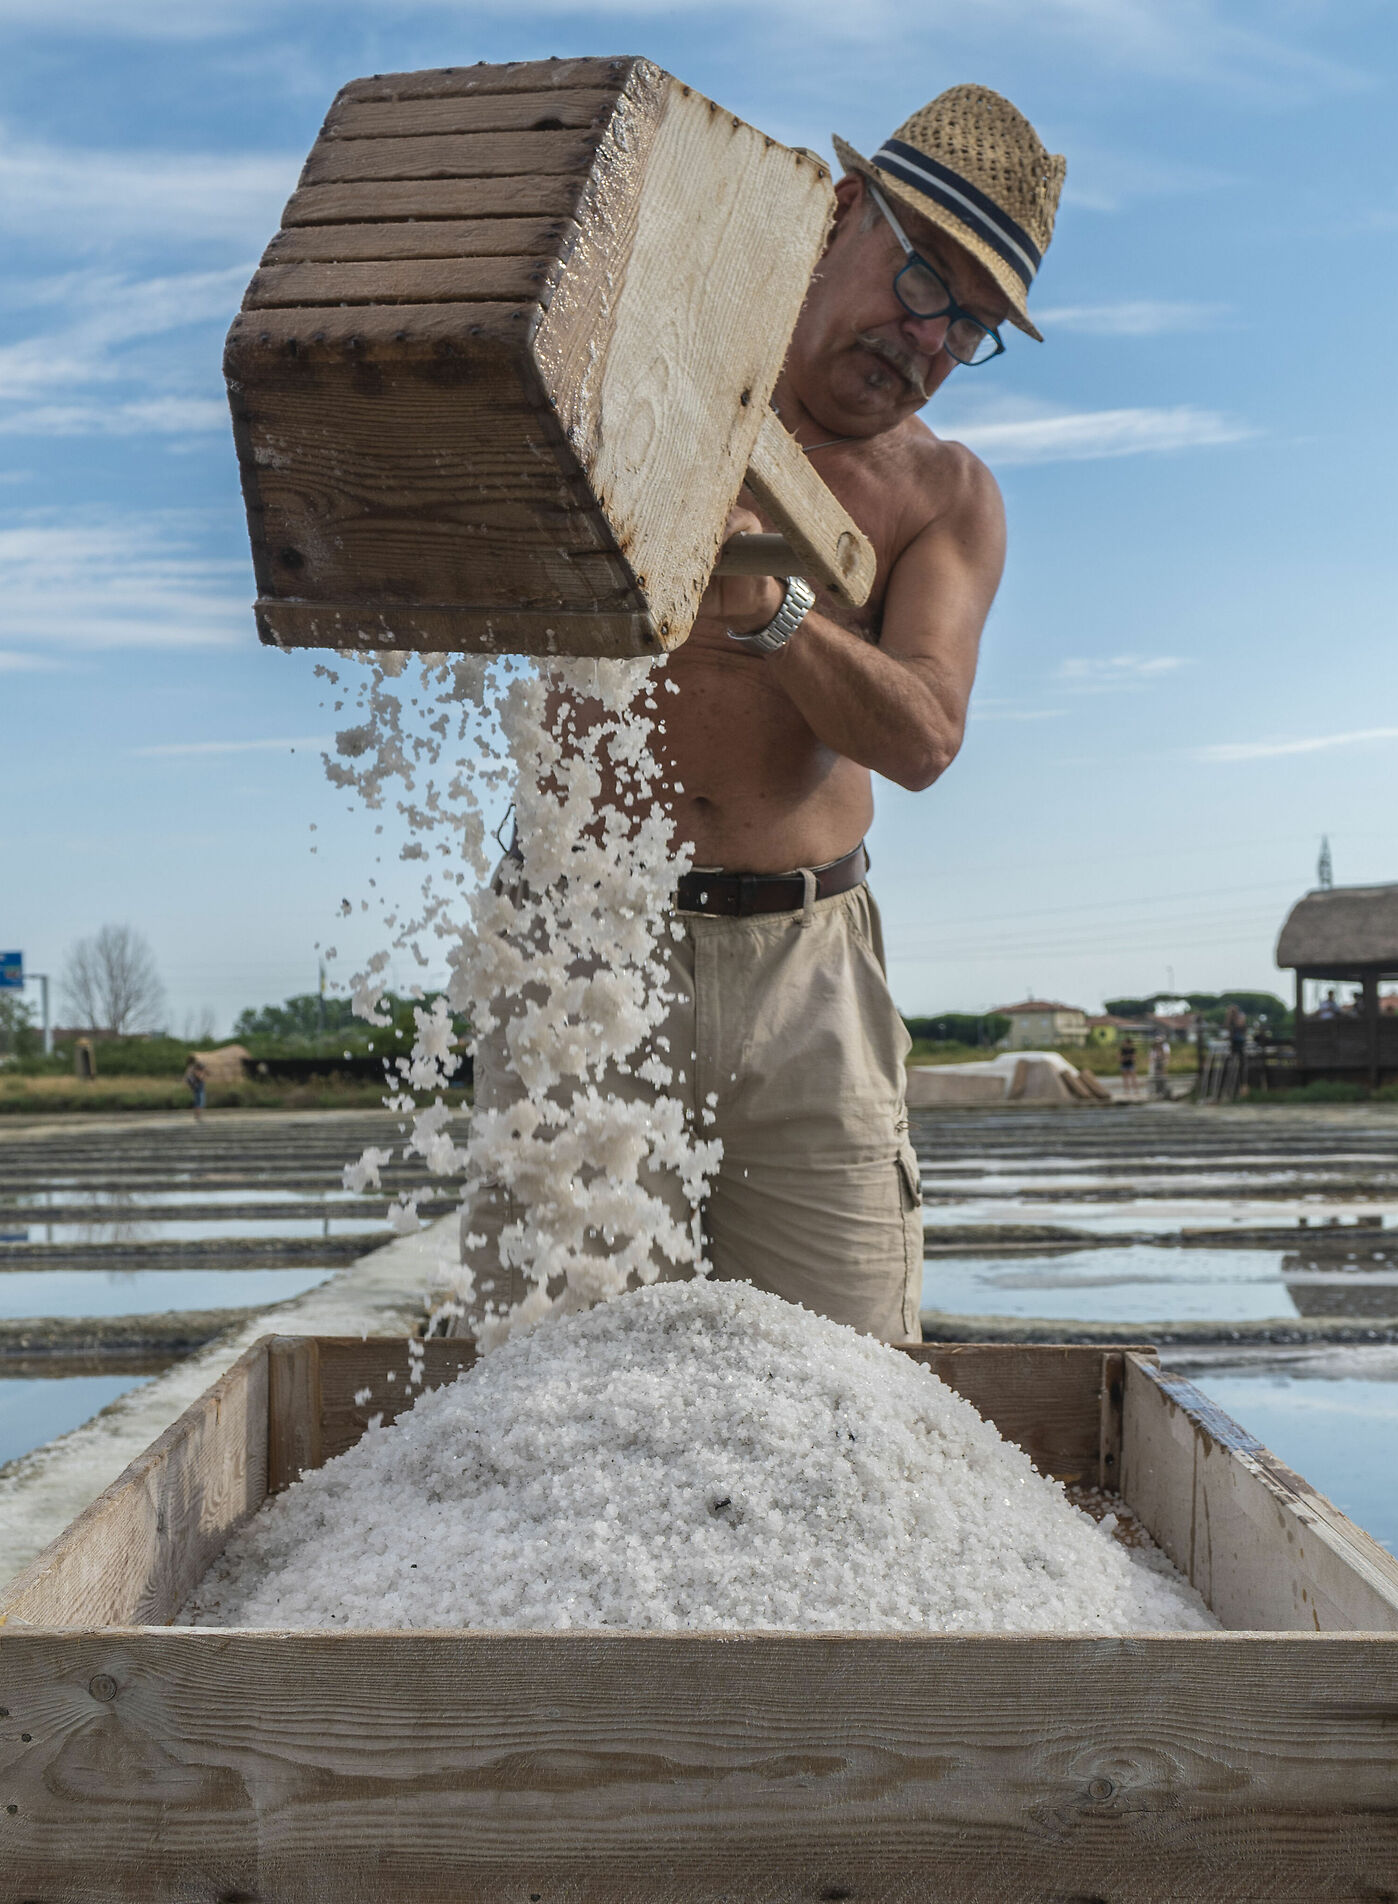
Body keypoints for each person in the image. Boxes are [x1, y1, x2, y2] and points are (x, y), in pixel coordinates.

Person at [467, 86, 1065, 1341]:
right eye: (921, 282)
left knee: (849, 1390)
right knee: (557, 1388)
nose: (928, 339)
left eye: (969, 324)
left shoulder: (944, 496)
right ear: (842, 211)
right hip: (586, 942)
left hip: (808, 975)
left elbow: (922, 736)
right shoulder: (655, 367)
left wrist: (778, 611)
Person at [1118, 1032, 1139, 1098]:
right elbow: (1119, 1058)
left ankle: (1136, 1091)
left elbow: (1134, 1058)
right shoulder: (1122, 1050)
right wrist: (1127, 1057)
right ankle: (1126, 1091)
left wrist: (1126, 1058)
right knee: (1125, 1079)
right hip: (1124, 1065)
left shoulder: (1132, 1049)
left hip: (1131, 1064)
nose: (1123, 1043)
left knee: (1133, 1078)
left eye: (1124, 1042)